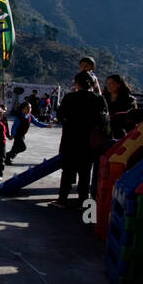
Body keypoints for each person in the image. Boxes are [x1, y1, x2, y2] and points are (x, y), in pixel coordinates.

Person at [55, 71, 109, 207]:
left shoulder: (69, 97)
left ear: (77, 83)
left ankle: (62, 200)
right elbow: (104, 121)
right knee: (85, 173)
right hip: (89, 141)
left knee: (67, 171)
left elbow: (60, 116)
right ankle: (83, 201)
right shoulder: (99, 99)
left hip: (70, 139)